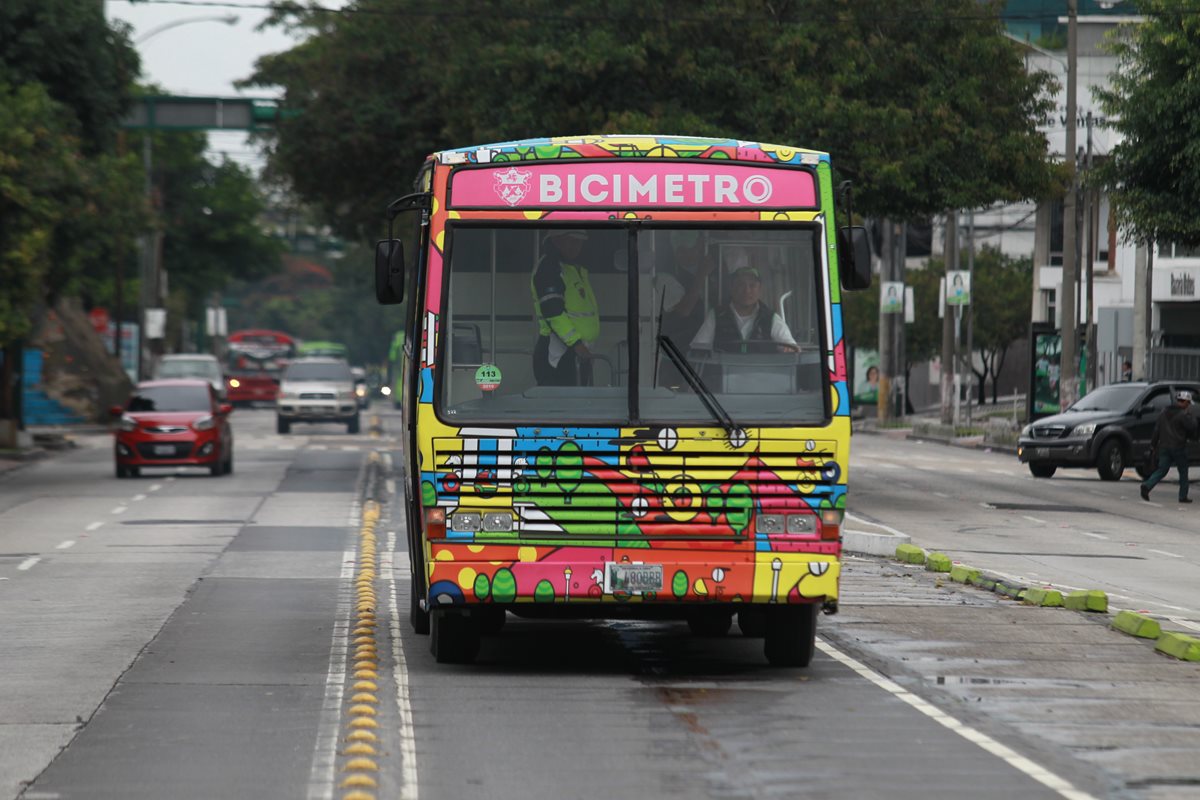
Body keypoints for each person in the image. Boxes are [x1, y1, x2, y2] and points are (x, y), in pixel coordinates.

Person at [530, 230, 599, 386]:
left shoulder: (572, 268)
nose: (577, 247)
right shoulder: (549, 267)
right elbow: (553, 311)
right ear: (556, 240)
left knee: (574, 404)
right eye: (572, 241)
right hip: (559, 353)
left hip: (575, 352)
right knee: (558, 405)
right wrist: (577, 345)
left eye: (580, 242)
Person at [689, 266, 799, 353]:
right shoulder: (716, 315)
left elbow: (791, 347)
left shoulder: (771, 318)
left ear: (760, 290)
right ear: (731, 288)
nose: (747, 290)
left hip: (761, 378)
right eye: (741, 285)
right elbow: (697, 349)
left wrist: (787, 349)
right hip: (723, 378)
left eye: (752, 285)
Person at [1141, 390, 1198, 503]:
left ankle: (1147, 485)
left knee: (1162, 470)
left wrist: (1153, 445)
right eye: (1188, 403)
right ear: (1185, 402)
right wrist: (1191, 415)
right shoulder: (1183, 414)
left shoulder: (1164, 412)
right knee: (1183, 471)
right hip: (1178, 447)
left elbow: (1156, 430)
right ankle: (1182, 496)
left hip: (1164, 446)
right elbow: (1192, 427)